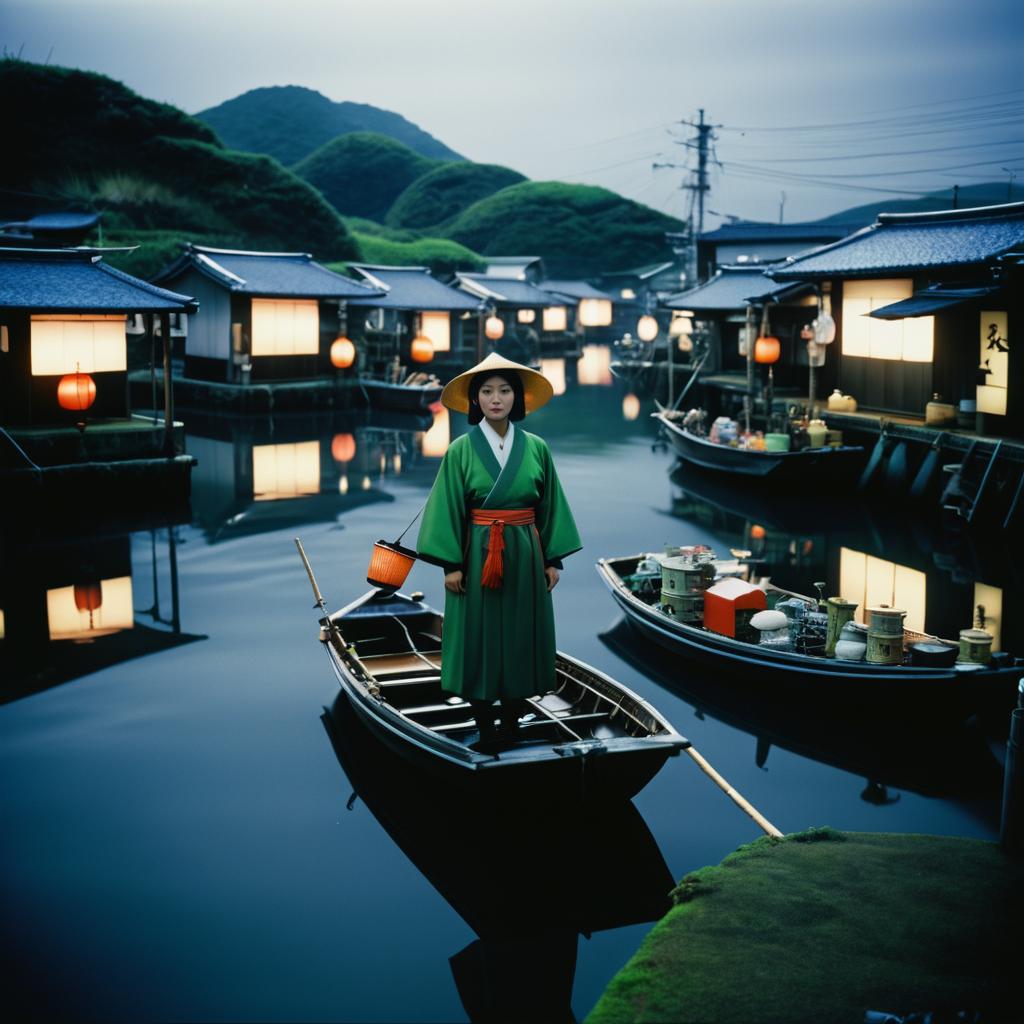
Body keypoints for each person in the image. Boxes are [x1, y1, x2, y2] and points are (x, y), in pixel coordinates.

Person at [415, 352, 581, 747]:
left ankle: (513, 720)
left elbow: (550, 504)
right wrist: (450, 565)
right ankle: (485, 725)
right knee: (477, 635)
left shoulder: (537, 447)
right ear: (475, 400)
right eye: (487, 391)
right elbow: (447, 507)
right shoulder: (459, 449)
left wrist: (552, 559)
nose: (496, 398)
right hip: (475, 555)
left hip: (525, 553)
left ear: (516, 398)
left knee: (522, 634)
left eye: (505, 390)